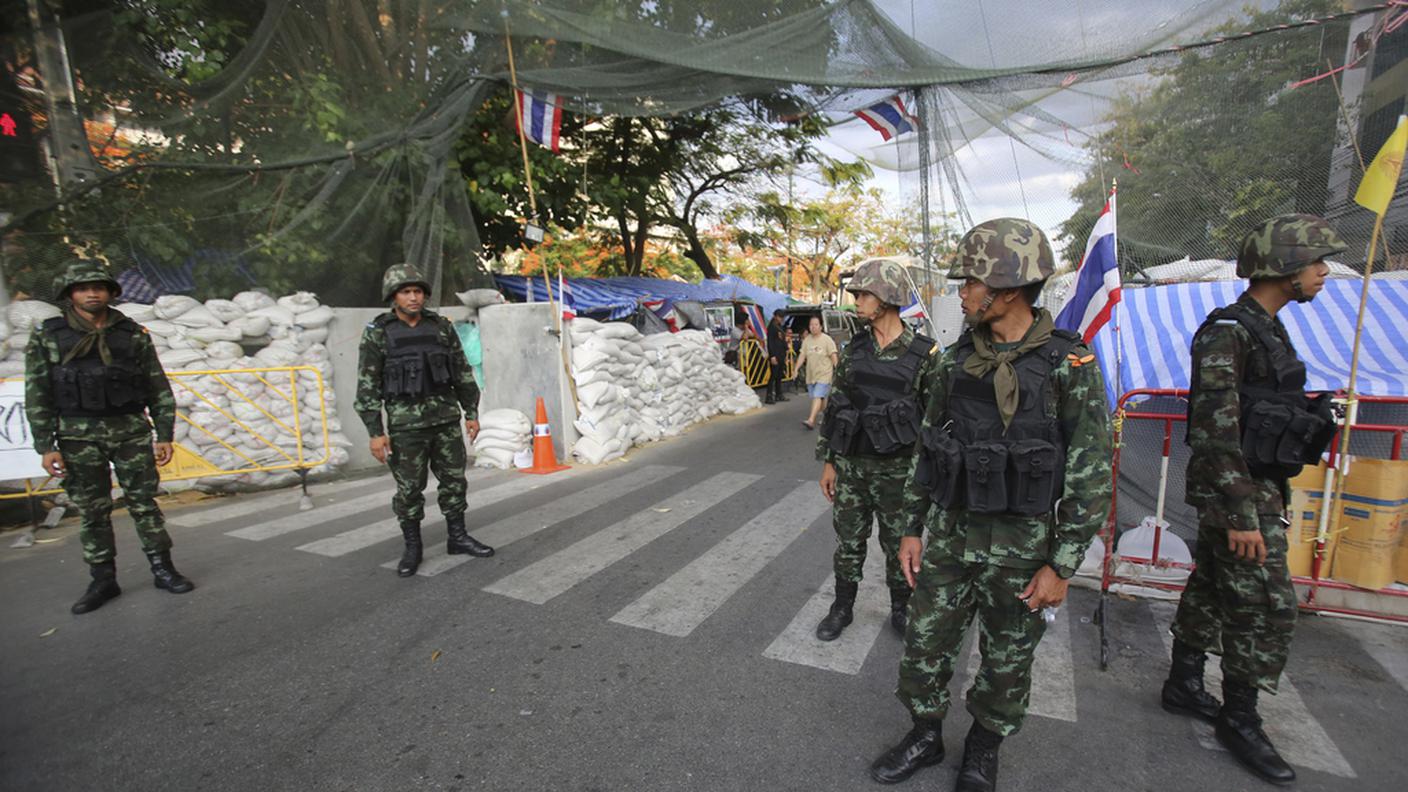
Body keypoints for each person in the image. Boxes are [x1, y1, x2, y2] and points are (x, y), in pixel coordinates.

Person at [870, 219, 1112, 791]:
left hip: (1024, 552)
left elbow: (1091, 469)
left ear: (1005, 290)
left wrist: (1063, 565)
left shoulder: (1067, 366)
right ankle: (926, 736)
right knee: (924, 648)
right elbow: (926, 452)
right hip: (952, 540)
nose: (962, 294)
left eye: (970, 283)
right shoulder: (950, 364)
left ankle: (983, 748)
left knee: (1007, 664)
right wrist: (910, 529)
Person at [1161, 214, 1343, 786]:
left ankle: (1184, 683)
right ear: (1283, 266)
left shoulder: (1267, 327)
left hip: (1253, 486)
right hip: (1238, 495)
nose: (1322, 272)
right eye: (1315, 262)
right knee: (1267, 608)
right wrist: (1243, 514)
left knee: (1213, 588)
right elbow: (1215, 430)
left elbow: (1258, 407)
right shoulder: (1229, 332)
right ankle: (1240, 718)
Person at [24, 260, 192, 615]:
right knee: (92, 511)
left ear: (110, 292)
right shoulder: (48, 334)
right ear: (70, 293)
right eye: (83, 287)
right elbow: (37, 392)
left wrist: (164, 433)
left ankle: (163, 569)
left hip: (130, 430)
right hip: (77, 437)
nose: (92, 293)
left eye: (98, 286)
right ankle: (103, 580)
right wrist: (45, 445)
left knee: (145, 504)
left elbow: (156, 386)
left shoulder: (132, 333)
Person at [816, 259, 938, 642]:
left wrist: (925, 480)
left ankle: (901, 609)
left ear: (887, 298)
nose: (857, 300)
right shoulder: (853, 350)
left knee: (896, 545)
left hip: (898, 473)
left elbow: (933, 425)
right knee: (848, 544)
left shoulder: (926, 355)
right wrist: (830, 461)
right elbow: (837, 406)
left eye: (864, 293)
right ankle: (842, 607)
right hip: (853, 467)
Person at [355, 263, 494, 577]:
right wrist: (375, 432)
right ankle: (413, 547)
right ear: (394, 296)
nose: (414, 297)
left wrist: (471, 413)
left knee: (455, 483)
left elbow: (461, 372)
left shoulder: (441, 327)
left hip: (445, 421)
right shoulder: (379, 332)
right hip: (406, 428)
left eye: (418, 291)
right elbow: (367, 386)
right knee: (409, 491)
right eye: (406, 292)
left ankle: (457, 537)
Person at [795, 315, 839, 430]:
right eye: (811, 325)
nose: (813, 327)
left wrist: (838, 371)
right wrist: (796, 369)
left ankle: (811, 420)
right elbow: (802, 355)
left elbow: (833, 356)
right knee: (821, 398)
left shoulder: (827, 340)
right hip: (811, 375)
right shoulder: (807, 340)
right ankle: (827, 417)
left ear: (821, 326)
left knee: (817, 395)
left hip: (824, 373)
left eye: (816, 324)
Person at [765, 311, 788, 404]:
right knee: (773, 376)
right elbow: (770, 342)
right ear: (775, 316)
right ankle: (769, 396)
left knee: (779, 376)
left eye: (782, 317)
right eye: (779, 317)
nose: (781, 319)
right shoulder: (772, 327)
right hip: (775, 354)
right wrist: (772, 356)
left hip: (781, 353)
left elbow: (782, 340)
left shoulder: (779, 326)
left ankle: (779, 394)